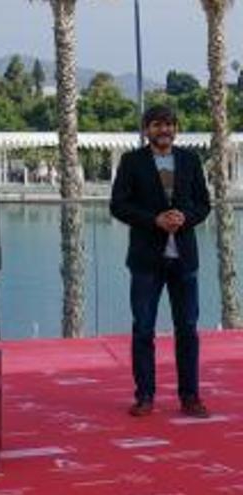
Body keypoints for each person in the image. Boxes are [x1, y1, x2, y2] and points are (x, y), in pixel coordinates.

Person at [110, 105, 211, 418]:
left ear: (176, 128)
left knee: (188, 329)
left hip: (184, 260)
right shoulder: (131, 162)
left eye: (168, 124)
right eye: (157, 125)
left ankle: (190, 397)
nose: (164, 130)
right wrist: (154, 219)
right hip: (145, 261)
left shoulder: (190, 160)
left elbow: (203, 204)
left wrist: (186, 217)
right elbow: (119, 206)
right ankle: (145, 396)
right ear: (146, 129)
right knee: (143, 330)